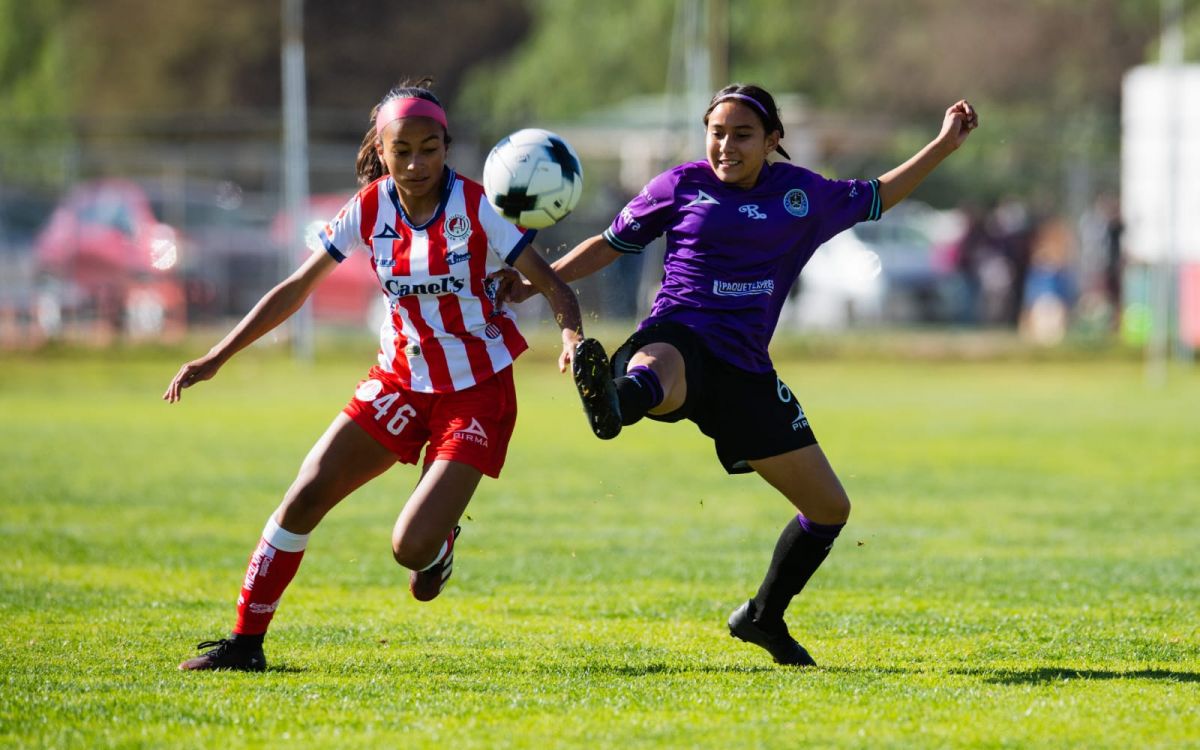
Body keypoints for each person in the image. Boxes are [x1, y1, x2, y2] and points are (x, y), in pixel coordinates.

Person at [512, 84, 978, 666]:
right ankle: (614, 401)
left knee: (830, 509)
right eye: (717, 133)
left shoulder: (802, 195)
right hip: (677, 333)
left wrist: (942, 145)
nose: (725, 146)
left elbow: (881, 196)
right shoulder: (680, 185)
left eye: (741, 135)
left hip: (747, 369)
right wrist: (534, 282)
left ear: (771, 140)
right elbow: (609, 245)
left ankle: (763, 617)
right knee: (661, 366)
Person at [164, 79, 599, 671]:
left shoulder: (477, 208)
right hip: (398, 380)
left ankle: (437, 542)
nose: (417, 163)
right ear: (382, 149)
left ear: (447, 146)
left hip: (476, 392)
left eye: (430, 148)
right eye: (403, 150)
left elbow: (554, 288)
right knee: (305, 493)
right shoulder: (369, 208)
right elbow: (296, 289)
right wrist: (218, 355)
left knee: (409, 548)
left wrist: (571, 335)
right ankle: (245, 644)